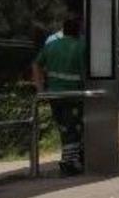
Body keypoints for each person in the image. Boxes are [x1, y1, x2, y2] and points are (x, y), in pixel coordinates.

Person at [32, 17, 86, 176]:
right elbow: (85, 72)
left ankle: (70, 158)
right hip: (74, 94)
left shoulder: (51, 45)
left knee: (63, 127)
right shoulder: (81, 46)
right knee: (74, 127)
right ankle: (68, 162)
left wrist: (40, 88)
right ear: (78, 31)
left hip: (54, 94)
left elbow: (36, 64)